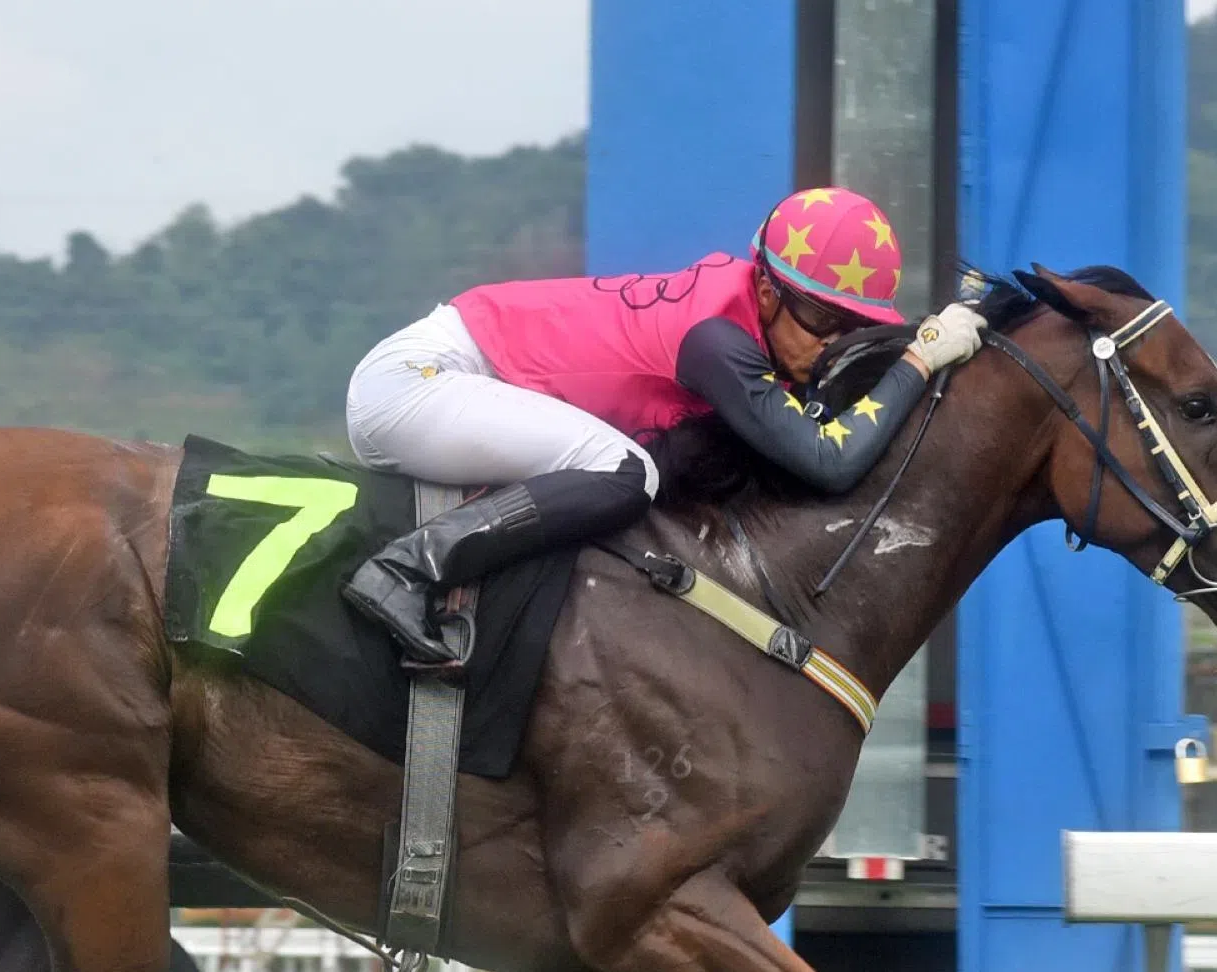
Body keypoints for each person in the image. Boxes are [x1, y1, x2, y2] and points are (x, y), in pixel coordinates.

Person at [340, 186, 988, 665]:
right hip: (419, 382)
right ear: (766, 290)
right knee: (627, 472)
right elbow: (827, 459)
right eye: (821, 318)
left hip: (450, 379)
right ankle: (406, 569)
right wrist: (919, 359)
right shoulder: (717, 342)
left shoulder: (748, 326)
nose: (831, 343)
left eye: (853, 327)